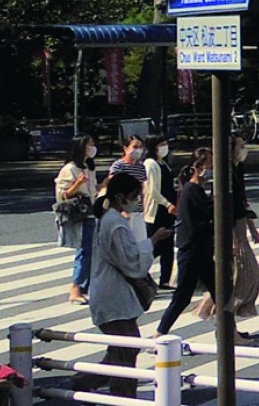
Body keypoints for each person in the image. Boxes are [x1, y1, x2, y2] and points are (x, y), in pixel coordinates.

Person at [78, 171, 171, 399]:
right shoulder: (115, 224)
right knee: (126, 350)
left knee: (121, 348)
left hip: (109, 295)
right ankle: (122, 397)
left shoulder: (109, 219)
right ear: (121, 197)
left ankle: (85, 381)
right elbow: (131, 263)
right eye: (135, 196)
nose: (137, 201)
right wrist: (153, 241)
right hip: (113, 298)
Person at [157, 148, 231, 338]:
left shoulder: (195, 190)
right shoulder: (192, 190)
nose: (213, 169)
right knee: (182, 297)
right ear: (198, 168)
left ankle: (229, 332)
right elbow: (209, 213)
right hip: (192, 251)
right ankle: (159, 333)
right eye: (210, 165)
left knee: (220, 290)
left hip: (202, 251)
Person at [198, 135, 259, 321]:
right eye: (241, 146)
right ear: (230, 149)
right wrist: (232, 237)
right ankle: (221, 317)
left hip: (239, 225)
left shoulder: (237, 169)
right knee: (244, 274)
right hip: (230, 229)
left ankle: (221, 314)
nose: (244, 149)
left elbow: (242, 201)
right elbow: (226, 207)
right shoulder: (224, 173)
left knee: (237, 276)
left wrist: (252, 227)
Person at [54, 135, 99, 305]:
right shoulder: (69, 169)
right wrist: (77, 184)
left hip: (91, 212)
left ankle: (84, 286)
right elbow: (62, 195)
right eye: (90, 145)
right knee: (83, 251)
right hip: (79, 214)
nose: (93, 148)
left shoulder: (89, 167)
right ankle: (76, 286)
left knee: (91, 251)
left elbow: (92, 190)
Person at [142, 135, 177, 289]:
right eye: (161, 144)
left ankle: (165, 280)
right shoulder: (150, 164)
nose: (165, 146)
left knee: (168, 247)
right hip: (157, 210)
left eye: (166, 143)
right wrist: (167, 204)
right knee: (155, 244)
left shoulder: (162, 163)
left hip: (168, 210)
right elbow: (152, 191)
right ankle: (140, 272)